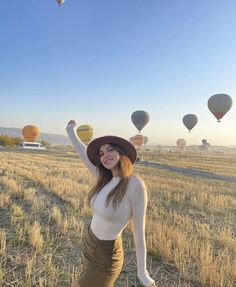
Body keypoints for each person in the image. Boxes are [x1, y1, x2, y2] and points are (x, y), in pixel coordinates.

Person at [66, 119, 156, 287]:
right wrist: (71, 131)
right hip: (90, 242)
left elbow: (138, 232)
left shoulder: (135, 186)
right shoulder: (104, 179)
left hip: (106, 255)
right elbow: (83, 154)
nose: (104, 155)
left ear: (121, 152)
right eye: (101, 153)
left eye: (110, 150)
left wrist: (142, 272)